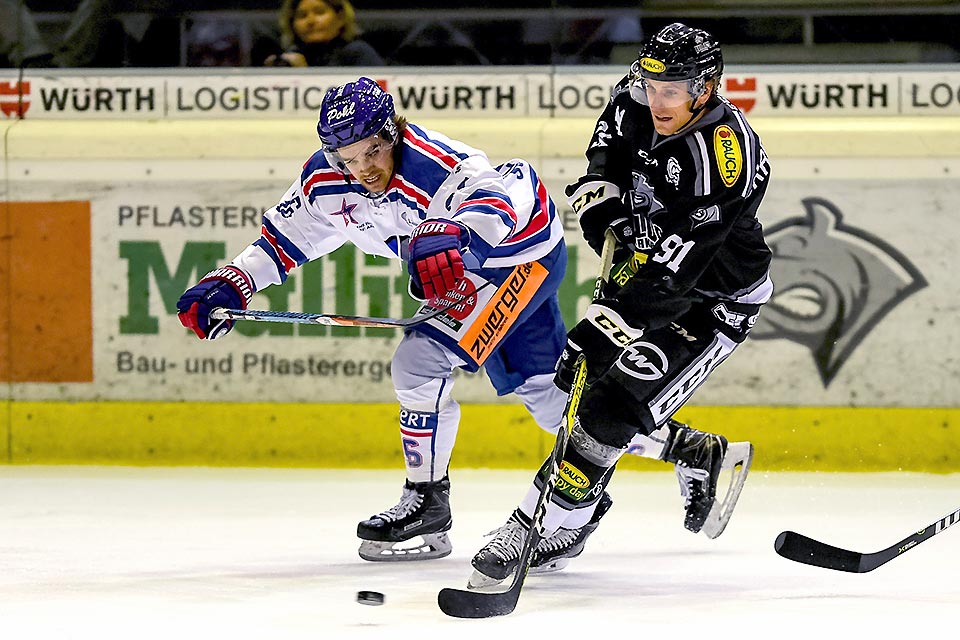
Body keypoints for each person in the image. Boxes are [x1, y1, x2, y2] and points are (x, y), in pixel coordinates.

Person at [175, 76, 601, 564]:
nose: (362, 169)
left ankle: (426, 501)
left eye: (372, 151)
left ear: (391, 133)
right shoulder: (325, 179)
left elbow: (505, 193)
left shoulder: (438, 163)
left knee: (418, 364)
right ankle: (682, 448)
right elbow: (283, 241)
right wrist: (232, 280)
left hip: (518, 258)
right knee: (549, 399)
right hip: (483, 273)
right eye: (348, 158)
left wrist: (458, 232)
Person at [468, 22, 772, 587]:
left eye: (673, 90)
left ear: (705, 88)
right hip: (651, 272)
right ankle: (693, 453)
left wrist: (614, 319)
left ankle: (544, 525)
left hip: (711, 303)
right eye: (653, 84)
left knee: (608, 407)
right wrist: (606, 218)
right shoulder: (636, 96)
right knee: (591, 395)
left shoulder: (723, 161)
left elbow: (676, 272)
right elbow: (602, 165)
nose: (657, 99)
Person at [263, 0, 382, 67]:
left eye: (319, 12)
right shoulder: (292, 57)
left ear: (340, 18)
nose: (310, 21)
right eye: (302, 15)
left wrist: (303, 76)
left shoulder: (357, 53)